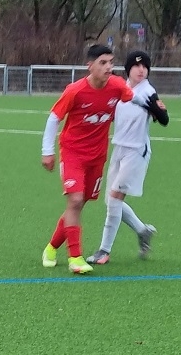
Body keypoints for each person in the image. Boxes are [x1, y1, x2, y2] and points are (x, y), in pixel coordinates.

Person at [41, 44, 163, 274]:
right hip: (73, 153)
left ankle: (51, 248)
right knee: (75, 201)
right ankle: (75, 258)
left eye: (111, 62)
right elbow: (54, 118)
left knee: (78, 204)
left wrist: (155, 108)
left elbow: (134, 98)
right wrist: (47, 150)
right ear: (90, 66)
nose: (109, 67)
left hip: (97, 157)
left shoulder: (116, 85)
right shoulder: (75, 91)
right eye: (103, 63)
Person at [86, 50, 169, 266]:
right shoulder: (120, 89)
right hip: (119, 148)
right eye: (136, 66)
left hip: (136, 151)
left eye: (145, 67)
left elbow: (164, 119)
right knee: (110, 201)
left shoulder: (148, 91)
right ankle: (142, 231)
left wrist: (155, 109)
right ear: (128, 69)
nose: (141, 70)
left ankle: (104, 251)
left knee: (115, 199)